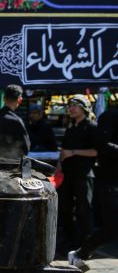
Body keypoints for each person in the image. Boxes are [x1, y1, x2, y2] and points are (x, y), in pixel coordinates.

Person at [68, 107, 118, 270]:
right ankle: (80, 253)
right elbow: (101, 145)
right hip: (110, 180)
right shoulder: (110, 116)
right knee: (112, 228)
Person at [58, 95, 98, 253]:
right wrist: (59, 166)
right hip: (68, 174)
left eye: (75, 105)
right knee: (65, 208)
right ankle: (71, 240)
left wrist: (73, 152)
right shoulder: (71, 128)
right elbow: (63, 151)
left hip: (84, 174)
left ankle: (86, 244)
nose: (71, 108)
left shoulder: (92, 127)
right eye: (70, 105)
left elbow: (96, 151)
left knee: (84, 209)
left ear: (84, 108)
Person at [0, 84, 30, 159]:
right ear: (20, 100)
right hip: (11, 165)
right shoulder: (16, 121)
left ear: (4, 98)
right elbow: (26, 148)